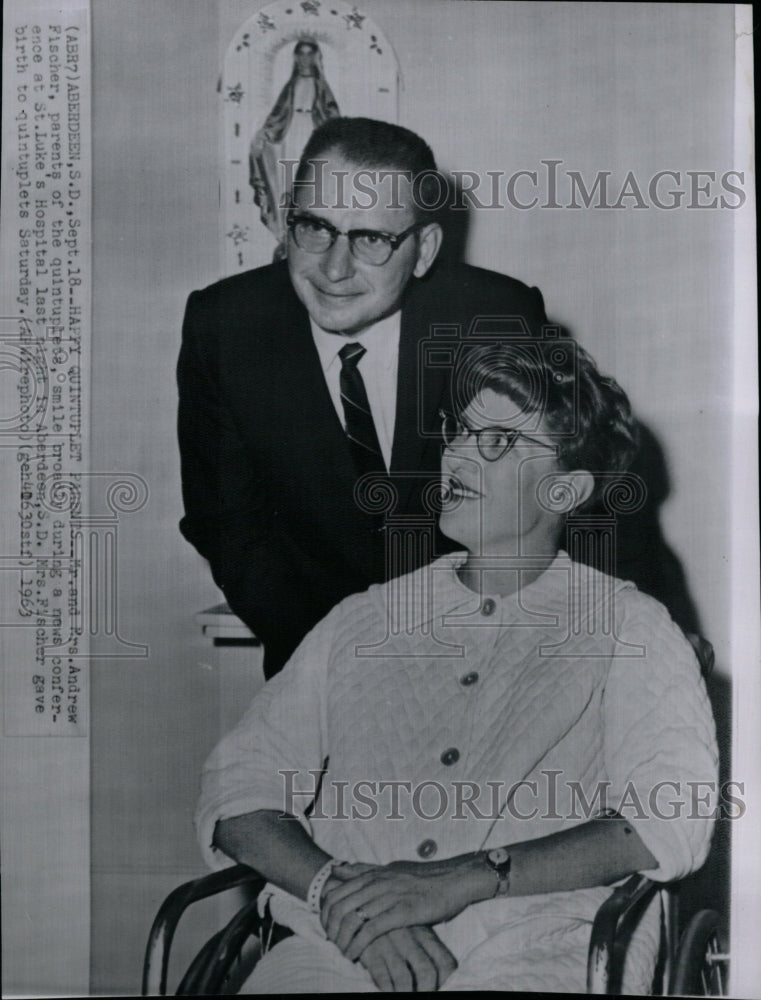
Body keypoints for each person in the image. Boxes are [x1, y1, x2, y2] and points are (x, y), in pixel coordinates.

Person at [195, 339, 718, 993]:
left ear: (565, 488)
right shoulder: (362, 621)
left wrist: (467, 876)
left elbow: (670, 818)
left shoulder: (629, 627)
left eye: (497, 440)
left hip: (541, 952)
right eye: (458, 429)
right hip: (342, 948)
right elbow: (238, 791)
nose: (457, 454)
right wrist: (337, 894)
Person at [178, 117, 548, 677]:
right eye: (314, 227)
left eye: (371, 238)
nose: (333, 267)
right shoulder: (226, 327)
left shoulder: (495, 318)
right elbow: (229, 526)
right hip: (317, 662)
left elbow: (555, 497)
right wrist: (342, 659)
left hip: (488, 654)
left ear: (423, 250)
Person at [249, 39, 340, 254]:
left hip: (312, 135)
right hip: (291, 138)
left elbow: (331, 117)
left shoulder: (322, 87)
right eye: (301, 54)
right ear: (296, 58)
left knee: (309, 180)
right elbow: (278, 117)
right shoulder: (290, 87)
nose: (305, 59)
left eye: (310, 54)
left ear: (317, 58)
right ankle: (285, 229)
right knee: (287, 181)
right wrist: (263, 135)